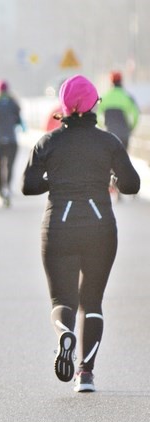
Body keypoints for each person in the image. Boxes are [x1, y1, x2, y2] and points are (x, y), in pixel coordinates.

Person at [22, 74, 140, 392]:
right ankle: (85, 373)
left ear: (62, 107)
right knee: (93, 302)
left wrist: (56, 182)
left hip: (58, 226)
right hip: (100, 228)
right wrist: (109, 177)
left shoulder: (48, 142)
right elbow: (133, 185)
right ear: (93, 106)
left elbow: (28, 186)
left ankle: (64, 334)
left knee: (63, 299)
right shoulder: (108, 142)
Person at [0, 79, 23, 207]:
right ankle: (7, 189)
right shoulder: (14, 103)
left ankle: (0, 192)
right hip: (11, 139)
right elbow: (18, 120)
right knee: (9, 166)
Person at [98, 71, 140, 150]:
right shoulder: (127, 97)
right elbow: (136, 115)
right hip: (124, 135)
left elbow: (97, 114)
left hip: (109, 134)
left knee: (110, 160)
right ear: (121, 81)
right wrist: (130, 128)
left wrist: (103, 126)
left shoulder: (104, 97)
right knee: (123, 160)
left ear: (111, 81)